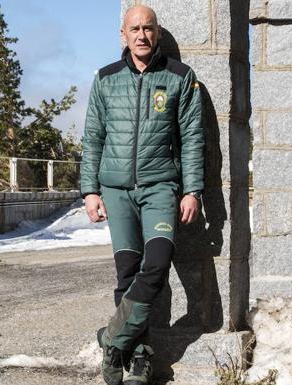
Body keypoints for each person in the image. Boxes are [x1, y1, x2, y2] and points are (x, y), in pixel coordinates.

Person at [80, 5, 204, 385]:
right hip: (115, 191)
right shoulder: (105, 79)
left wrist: (193, 189)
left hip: (160, 188)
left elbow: (192, 138)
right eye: (134, 28)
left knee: (157, 262)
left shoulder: (180, 78)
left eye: (148, 28)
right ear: (123, 34)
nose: (141, 35)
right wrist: (89, 190)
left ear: (158, 31)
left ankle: (112, 339)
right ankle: (138, 357)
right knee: (126, 273)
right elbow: (93, 138)